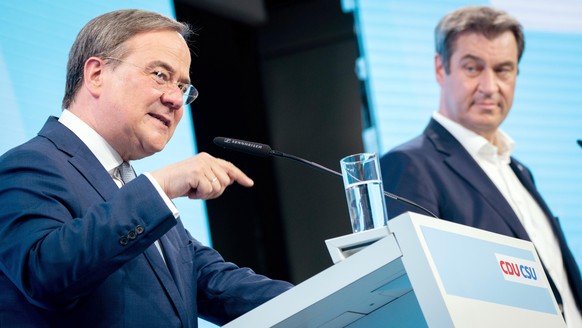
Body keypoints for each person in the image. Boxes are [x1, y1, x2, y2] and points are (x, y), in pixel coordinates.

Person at [0, 9, 293, 327]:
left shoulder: (128, 188)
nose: (176, 100)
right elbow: (44, 274)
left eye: (182, 87)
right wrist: (159, 188)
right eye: (160, 75)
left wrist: (334, 290)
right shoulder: (29, 165)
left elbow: (219, 285)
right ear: (96, 74)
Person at [379, 5, 582, 326]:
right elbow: (412, 298)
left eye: (503, 70)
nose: (490, 86)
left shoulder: (519, 169)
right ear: (440, 69)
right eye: (473, 68)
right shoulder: (409, 164)